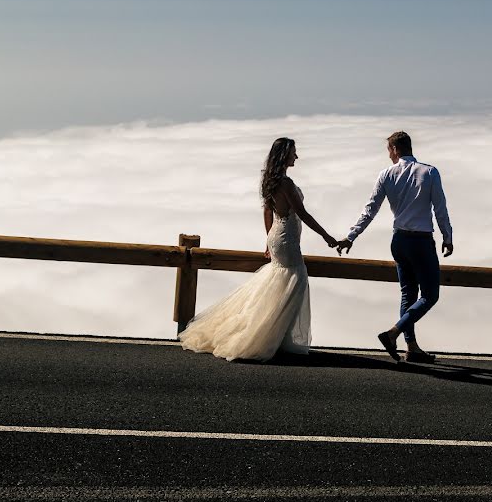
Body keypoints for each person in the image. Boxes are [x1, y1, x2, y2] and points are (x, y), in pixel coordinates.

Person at [179, 137, 338, 361]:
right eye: (294, 152)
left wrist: (268, 240)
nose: (297, 156)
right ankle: (267, 338)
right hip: (287, 239)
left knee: (278, 284)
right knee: (294, 282)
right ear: (284, 155)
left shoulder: (270, 181)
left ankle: (273, 336)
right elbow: (302, 214)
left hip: (277, 235)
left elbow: (267, 212)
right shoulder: (286, 184)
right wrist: (327, 237)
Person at [337, 131, 453, 363]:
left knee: (408, 294)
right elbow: (439, 208)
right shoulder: (430, 172)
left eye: (388, 151)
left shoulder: (386, 174)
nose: (388, 155)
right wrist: (447, 237)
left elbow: (370, 210)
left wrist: (351, 236)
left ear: (395, 149)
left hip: (399, 241)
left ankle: (411, 348)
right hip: (421, 241)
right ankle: (393, 333)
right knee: (430, 295)